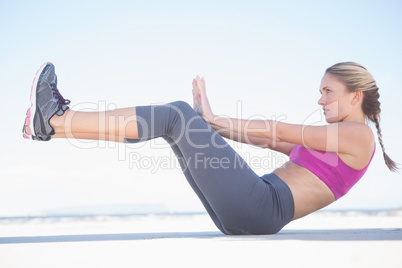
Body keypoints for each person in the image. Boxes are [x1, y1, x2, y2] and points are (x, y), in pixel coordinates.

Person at [22, 62, 398, 235]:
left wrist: (207, 118)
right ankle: (52, 126)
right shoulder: (339, 138)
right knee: (180, 121)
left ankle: (57, 119)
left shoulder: (358, 135)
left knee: (176, 116)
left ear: (355, 96)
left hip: (263, 207)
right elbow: (265, 138)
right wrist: (209, 120)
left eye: (327, 91)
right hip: (254, 208)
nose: (320, 101)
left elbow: (282, 128)